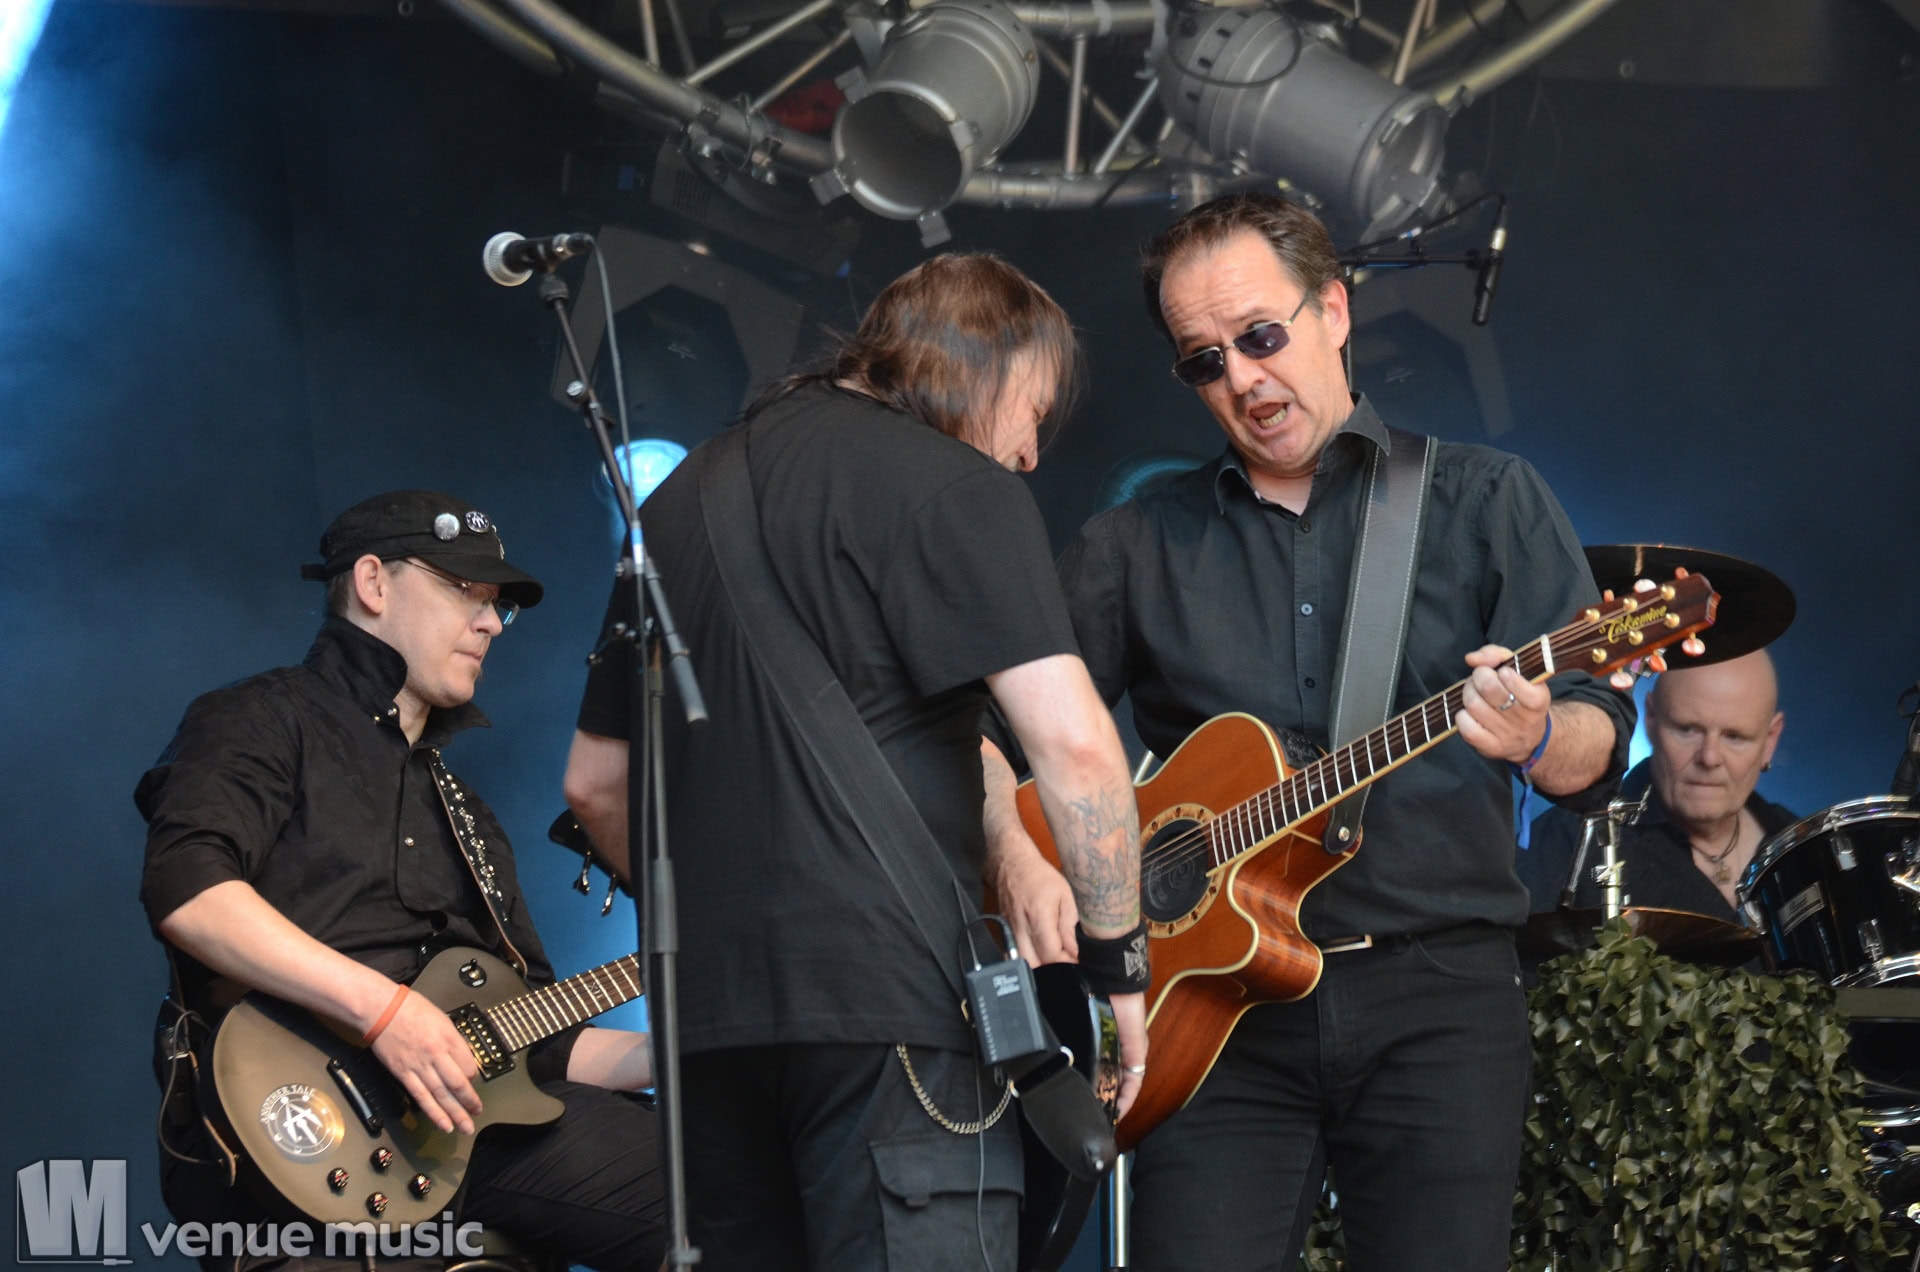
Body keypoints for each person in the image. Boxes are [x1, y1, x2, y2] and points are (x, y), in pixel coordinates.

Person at [990, 193, 1636, 1270]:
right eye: (1205, 361)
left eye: (1261, 336)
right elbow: (988, 736)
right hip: (1214, 1018)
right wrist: (1023, 862)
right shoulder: (1133, 545)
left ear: (1333, 310)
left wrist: (1535, 735)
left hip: (1437, 997)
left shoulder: (1486, 500)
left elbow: (1597, 745)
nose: (1242, 379)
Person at [562, 252, 1148, 1270]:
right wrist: (1119, 970)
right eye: (1035, 413)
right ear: (993, 367)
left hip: (709, 1031)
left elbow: (594, 785)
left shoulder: (676, 501)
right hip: (894, 1018)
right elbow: (1078, 748)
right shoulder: (960, 487)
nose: (1028, 453)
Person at [138, 490, 666, 1272]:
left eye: (497, 606)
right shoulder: (261, 716)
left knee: (722, 1149)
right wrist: (384, 1012)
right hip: (299, 1134)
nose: (491, 623)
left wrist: (687, 1051)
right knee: (717, 1185)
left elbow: (532, 1044)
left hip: (463, 1139)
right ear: (373, 583)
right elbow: (189, 892)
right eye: (466, 591)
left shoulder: (469, 814)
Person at [1519, 649, 1792, 921]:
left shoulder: (1800, 846)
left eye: (1735, 737)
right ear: (1650, 720)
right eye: (1688, 729)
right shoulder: (1566, 841)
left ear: (1770, 740)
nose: (1709, 758)